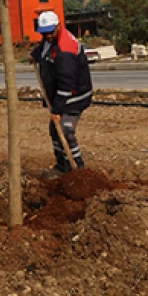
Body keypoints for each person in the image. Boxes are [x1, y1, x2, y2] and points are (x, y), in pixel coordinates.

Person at [29, 10, 93, 176]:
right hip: (60, 95)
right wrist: (36, 55)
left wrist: (57, 110)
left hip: (73, 97)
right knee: (54, 131)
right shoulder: (50, 39)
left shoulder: (66, 50)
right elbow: (45, 48)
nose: (47, 35)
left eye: (50, 32)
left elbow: (66, 84)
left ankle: (78, 169)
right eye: (44, 33)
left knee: (65, 131)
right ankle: (62, 166)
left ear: (58, 26)